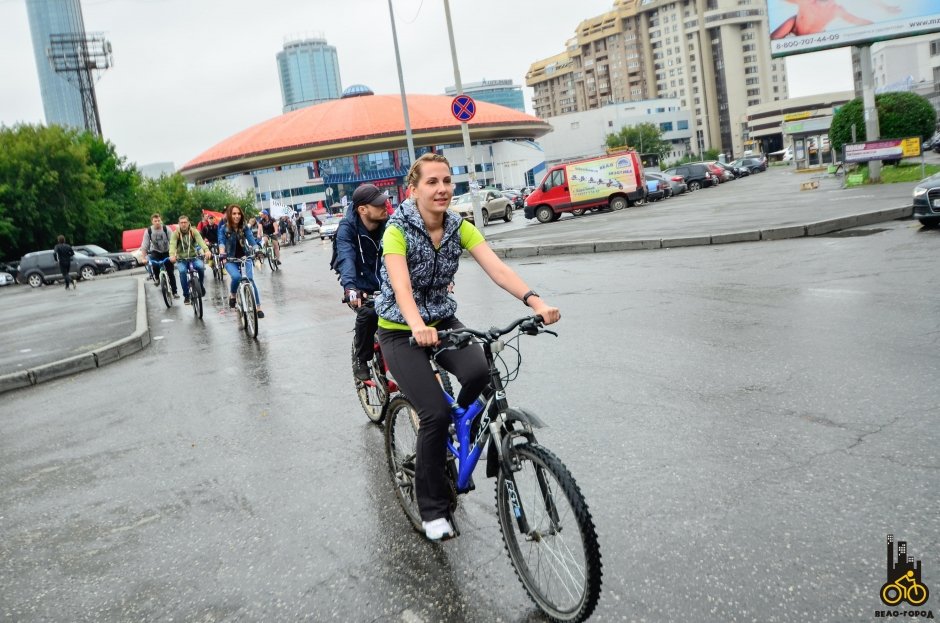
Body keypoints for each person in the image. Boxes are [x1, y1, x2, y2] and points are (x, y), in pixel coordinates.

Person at [375, 153, 560, 541]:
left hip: (443, 322)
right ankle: (433, 509)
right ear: (414, 189)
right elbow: (400, 287)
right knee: (434, 414)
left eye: (447, 180)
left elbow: (497, 268)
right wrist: (416, 325)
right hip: (400, 329)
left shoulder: (459, 226)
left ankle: (461, 429)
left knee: (480, 373)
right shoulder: (397, 229)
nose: (442, 188)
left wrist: (535, 301)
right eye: (432, 182)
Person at [333, 183, 390, 380]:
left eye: (384, 201)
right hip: (360, 284)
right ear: (362, 209)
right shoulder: (347, 229)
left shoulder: (390, 225)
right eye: (379, 204)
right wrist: (350, 287)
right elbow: (346, 257)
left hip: (387, 282)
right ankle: (362, 358)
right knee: (369, 313)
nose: (385, 205)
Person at [218, 204, 265, 318]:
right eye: (234, 213)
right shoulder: (224, 228)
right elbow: (221, 242)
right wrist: (222, 253)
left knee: (250, 280)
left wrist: (257, 250)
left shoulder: (244, 227)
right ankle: (233, 295)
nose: (237, 216)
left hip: (245, 257)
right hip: (230, 259)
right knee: (236, 277)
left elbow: (251, 239)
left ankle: (258, 307)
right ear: (229, 215)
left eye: (238, 213)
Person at [770, 0, 899, 39]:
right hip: (794, 30)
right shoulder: (806, 1)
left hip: (815, 37)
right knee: (775, 39)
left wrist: (883, 26)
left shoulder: (836, 9)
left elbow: (857, 20)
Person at [169, 215, 211, 305]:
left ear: (188, 223)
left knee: (200, 267)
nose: (183, 224)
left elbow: (201, 241)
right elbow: (172, 245)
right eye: (181, 223)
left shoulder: (193, 231)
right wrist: (172, 255)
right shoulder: (175, 233)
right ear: (179, 224)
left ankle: (200, 285)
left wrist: (206, 250)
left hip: (193, 257)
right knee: (182, 271)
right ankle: (186, 295)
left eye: (185, 222)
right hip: (181, 259)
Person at [141, 213, 179, 298]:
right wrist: (143, 258)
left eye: (159, 220)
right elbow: (144, 246)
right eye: (155, 221)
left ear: (161, 220)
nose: (157, 222)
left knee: (170, 272)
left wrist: (174, 254)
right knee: (154, 263)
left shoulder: (166, 229)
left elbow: (173, 242)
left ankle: (174, 292)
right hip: (155, 251)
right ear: (152, 222)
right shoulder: (148, 231)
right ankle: (157, 278)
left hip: (167, 251)